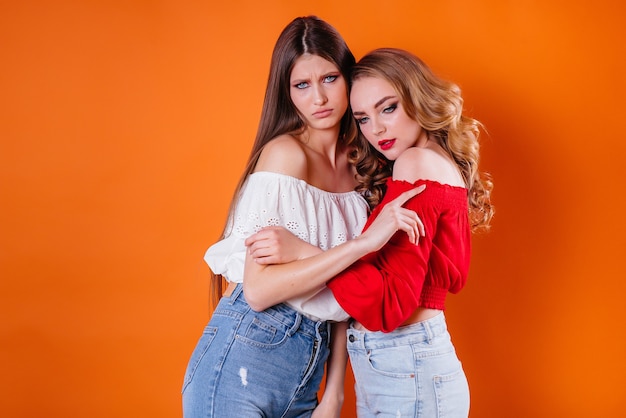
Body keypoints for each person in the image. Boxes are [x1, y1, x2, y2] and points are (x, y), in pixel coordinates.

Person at [181, 17, 424, 417]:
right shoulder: (285, 155)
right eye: (302, 85)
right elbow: (259, 291)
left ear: (348, 78)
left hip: (307, 369)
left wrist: (334, 394)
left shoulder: (363, 165)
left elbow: (345, 293)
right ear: (287, 92)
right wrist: (362, 244)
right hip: (245, 358)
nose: (319, 99)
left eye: (329, 78)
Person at [246, 48, 494, 417]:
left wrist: (304, 251)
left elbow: (388, 307)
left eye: (388, 108)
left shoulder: (415, 163)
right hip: (409, 366)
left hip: (405, 367)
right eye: (362, 118)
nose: (375, 129)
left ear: (416, 98)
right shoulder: (436, 164)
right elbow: (446, 281)